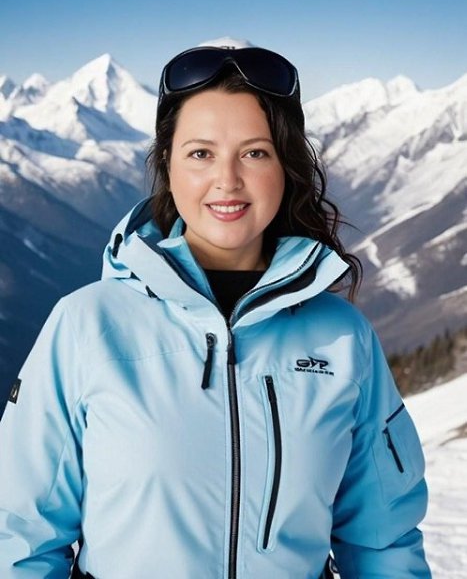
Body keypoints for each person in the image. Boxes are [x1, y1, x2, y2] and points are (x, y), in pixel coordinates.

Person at [0, 44, 431, 578]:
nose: (227, 180)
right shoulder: (87, 325)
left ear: (286, 166)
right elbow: (18, 537)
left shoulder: (344, 340)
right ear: (167, 163)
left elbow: (384, 543)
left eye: (255, 153)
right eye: (201, 153)